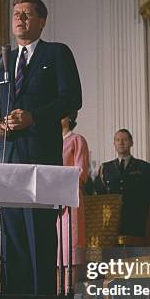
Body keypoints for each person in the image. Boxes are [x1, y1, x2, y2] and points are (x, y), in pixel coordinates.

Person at [0, 0, 82, 299]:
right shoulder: (4, 60)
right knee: (10, 233)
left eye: (26, 14)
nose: (19, 19)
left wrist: (34, 117)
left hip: (40, 156)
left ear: (41, 20)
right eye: (15, 14)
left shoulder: (56, 53)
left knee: (38, 231)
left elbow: (71, 98)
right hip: (7, 158)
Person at [95, 129, 150, 238]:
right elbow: (99, 195)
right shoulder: (105, 168)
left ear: (131, 143)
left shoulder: (143, 167)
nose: (121, 143)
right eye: (118, 140)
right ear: (114, 144)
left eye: (125, 140)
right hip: (112, 220)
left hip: (136, 219)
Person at [57, 112, 90, 273]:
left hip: (70, 198)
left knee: (70, 244)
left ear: (68, 118)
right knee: (55, 248)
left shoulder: (77, 140)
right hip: (52, 199)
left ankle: (70, 292)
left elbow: (81, 172)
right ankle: (56, 293)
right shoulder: (52, 142)